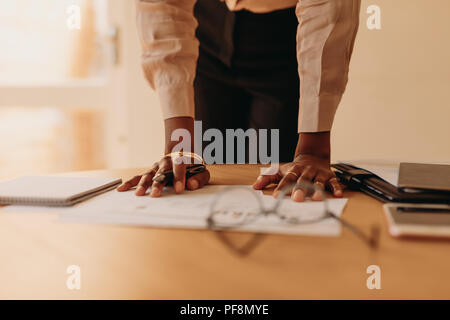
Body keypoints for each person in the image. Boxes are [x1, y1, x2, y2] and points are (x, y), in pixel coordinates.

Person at [117, 0, 361, 202]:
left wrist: (313, 152)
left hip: (285, 33)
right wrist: (179, 148)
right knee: (201, 183)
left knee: (280, 185)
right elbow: (162, 6)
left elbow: (328, 9)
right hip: (205, 30)